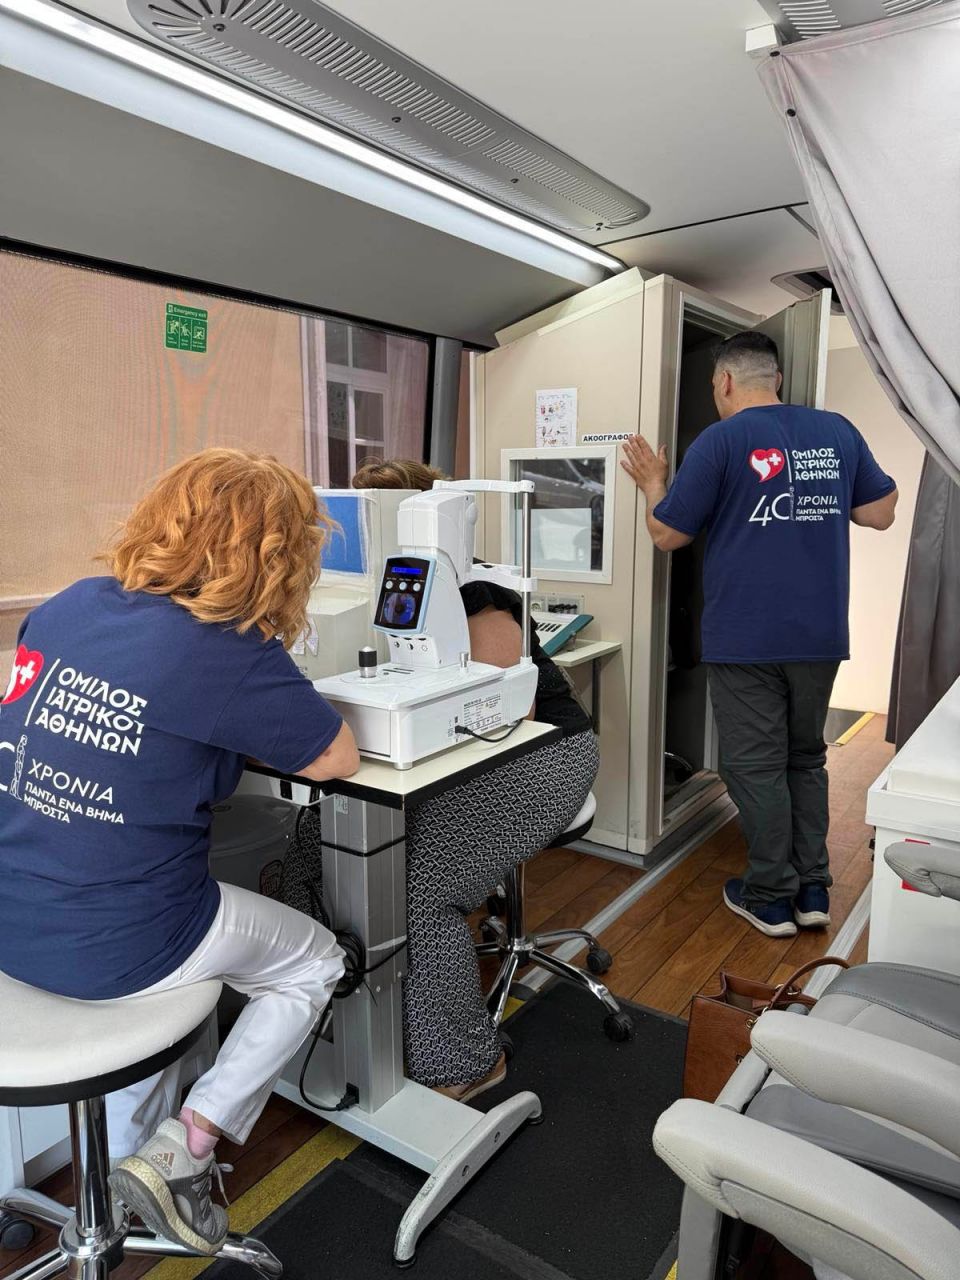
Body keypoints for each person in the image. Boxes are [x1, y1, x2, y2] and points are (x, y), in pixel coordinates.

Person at [0, 449, 360, 1254]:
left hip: (11, 916)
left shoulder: (68, 606)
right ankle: (189, 1146)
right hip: (116, 946)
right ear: (280, 560)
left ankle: (130, 1178)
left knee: (166, 969)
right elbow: (336, 758)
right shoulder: (227, 649)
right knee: (314, 962)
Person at [300, 457, 598, 1100]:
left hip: (541, 751)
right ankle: (344, 1018)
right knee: (309, 843)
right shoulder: (382, 587)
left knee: (418, 886)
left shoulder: (476, 588)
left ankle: (465, 1060)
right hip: (447, 761)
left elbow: (501, 711)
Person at [621, 332, 897, 938]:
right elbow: (880, 512)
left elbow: (668, 535)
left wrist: (653, 483)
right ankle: (814, 889)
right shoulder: (838, 432)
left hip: (746, 636)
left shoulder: (719, 440)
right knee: (805, 756)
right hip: (820, 634)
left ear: (724, 381)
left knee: (754, 766)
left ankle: (771, 896)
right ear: (776, 378)